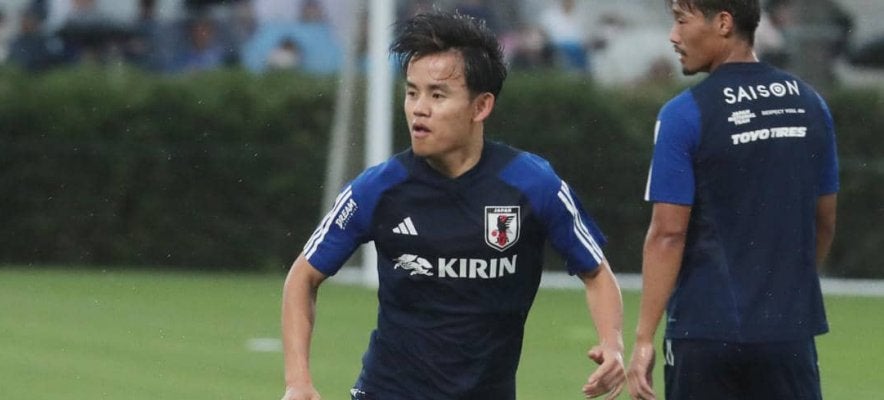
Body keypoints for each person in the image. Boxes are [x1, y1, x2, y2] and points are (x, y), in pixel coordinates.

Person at [281, 11, 625, 400]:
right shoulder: (378, 189)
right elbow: (302, 278)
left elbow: (596, 272)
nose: (418, 108)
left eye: (437, 95)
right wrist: (298, 382)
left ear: (481, 107)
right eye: (412, 92)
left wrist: (612, 343)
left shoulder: (533, 185)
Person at [625, 1, 839, 399]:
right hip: (788, 334)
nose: (673, 36)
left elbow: (668, 234)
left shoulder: (683, 114)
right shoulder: (811, 104)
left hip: (705, 333)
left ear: (723, 22)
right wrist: (786, 289)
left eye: (681, 20)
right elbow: (824, 219)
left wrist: (642, 339)